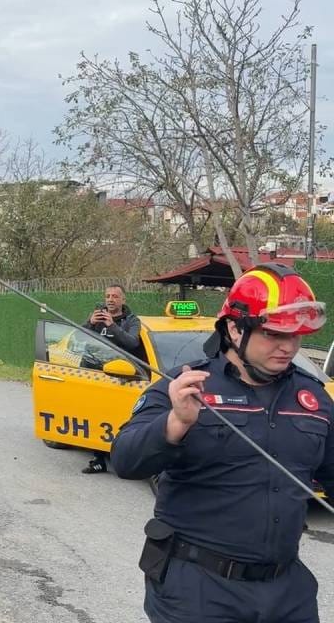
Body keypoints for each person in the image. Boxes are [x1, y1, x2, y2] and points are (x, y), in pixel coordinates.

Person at [111, 263, 333, 623]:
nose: (288, 346)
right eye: (274, 334)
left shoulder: (314, 398)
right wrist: (174, 423)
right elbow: (125, 459)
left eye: (297, 335)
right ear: (234, 328)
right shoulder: (185, 386)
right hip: (198, 590)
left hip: (287, 592)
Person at [81, 284, 144, 474]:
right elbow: (78, 338)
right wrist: (90, 323)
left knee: (113, 416)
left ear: (123, 300)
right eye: (107, 296)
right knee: (93, 414)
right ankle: (97, 459)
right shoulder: (96, 317)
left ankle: (117, 452)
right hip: (93, 373)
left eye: (115, 296)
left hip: (119, 375)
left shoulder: (132, 321)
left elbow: (132, 343)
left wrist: (112, 326)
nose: (110, 299)